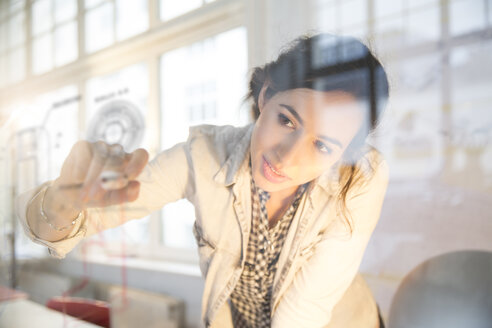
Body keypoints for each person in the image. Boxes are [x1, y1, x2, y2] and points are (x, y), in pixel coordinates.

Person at [16, 33, 390, 328]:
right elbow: (82, 221)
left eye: (323, 146)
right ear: (266, 95)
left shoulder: (361, 179)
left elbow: (304, 310)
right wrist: (60, 204)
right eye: (287, 120)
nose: (286, 156)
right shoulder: (202, 156)